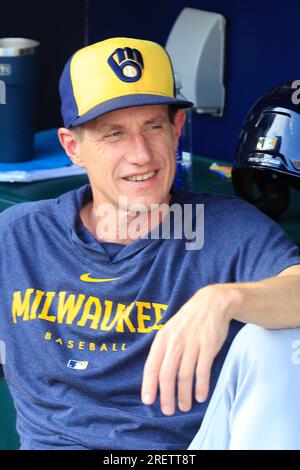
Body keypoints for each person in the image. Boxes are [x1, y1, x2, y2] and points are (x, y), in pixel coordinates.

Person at [0, 37, 299, 450]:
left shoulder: (229, 230)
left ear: (176, 130)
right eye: (114, 134)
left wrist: (221, 300)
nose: (140, 154)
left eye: (153, 127)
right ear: (74, 148)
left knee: (280, 338)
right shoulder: (19, 236)